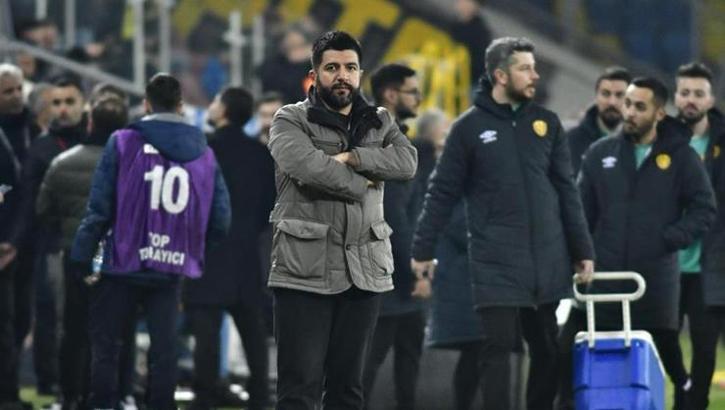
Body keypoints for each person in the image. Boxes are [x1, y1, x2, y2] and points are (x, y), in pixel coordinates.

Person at [410, 37, 595, 410]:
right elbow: (441, 192)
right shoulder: (468, 129)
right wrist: (423, 250)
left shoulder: (547, 123)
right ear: (500, 75)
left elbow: (567, 191)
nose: (534, 76)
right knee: (496, 349)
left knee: (546, 348)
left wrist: (582, 250)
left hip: (546, 260)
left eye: (534, 68)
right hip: (495, 261)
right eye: (525, 68)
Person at [267, 30, 417, 409]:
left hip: (364, 272)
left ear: (360, 73)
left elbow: (407, 162)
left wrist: (354, 158)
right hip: (305, 272)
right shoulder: (290, 119)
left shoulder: (380, 120)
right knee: (299, 389)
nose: (342, 76)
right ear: (314, 74)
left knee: (348, 390)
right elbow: (307, 167)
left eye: (350, 68)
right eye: (332, 68)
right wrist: (362, 183)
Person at [70, 73, 231, 410]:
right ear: (181, 106)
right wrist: (193, 248)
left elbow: (99, 208)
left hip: (123, 259)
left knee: (107, 345)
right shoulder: (204, 151)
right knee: (164, 351)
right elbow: (220, 219)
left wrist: (82, 255)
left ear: (146, 104)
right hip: (171, 265)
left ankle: (104, 405)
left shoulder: (123, 141)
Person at [564, 76, 716, 409]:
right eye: (628, 104)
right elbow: (579, 213)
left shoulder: (681, 157)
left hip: (654, 284)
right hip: (602, 283)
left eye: (639, 107)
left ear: (659, 113)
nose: (629, 112)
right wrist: (581, 254)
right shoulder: (599, 153)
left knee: (668, 361)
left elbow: (704, 209)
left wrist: (669, 238)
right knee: (571, 359)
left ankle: (684, 395)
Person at [183, 86, 276, 410]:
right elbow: (269, 206)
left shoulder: (203, 150)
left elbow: (190, 202)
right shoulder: (262, 155)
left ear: (222, 110)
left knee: (206, 333)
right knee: (253, 332)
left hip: (208, 251)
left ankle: (205, 398)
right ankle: (260, 397)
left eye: (214, 101)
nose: (210, 105)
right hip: (246, 253)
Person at [36, 96, 130, 410]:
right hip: (118, 258)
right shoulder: (132, 166)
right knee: (111, 331)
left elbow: (43, 209)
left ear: (90, 123)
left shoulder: (63, 162)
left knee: (73, 329)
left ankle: (68, 396)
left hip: (75, 255)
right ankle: (107, 396)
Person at [362, 63, 429, 410]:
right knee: (371, 365)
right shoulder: (388, 143)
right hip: (388, 277)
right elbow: (393, 215)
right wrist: (413, 270)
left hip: (391, 272)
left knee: (396, 363)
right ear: (390, 94)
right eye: (412, 92)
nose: (419, 98)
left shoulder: (373, 134)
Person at [673, 62, 725, 410]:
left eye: (698, 93)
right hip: (667, 267)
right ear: (676, 97)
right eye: (685, 92)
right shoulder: (659, 140)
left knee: (705, 350)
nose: (691, 99)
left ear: (711, 99)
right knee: (666, 347)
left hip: (711, 266)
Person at [0, 63, 35, 410]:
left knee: (23, 317)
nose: (15, 96)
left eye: (18, 89)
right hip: (2, 243)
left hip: (28, 240)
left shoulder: (33, 127)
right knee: (5, 322)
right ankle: (7, 394)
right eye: (7, 91)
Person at [567, 66, 632, 175]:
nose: (612, 102)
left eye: (620, 95)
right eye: (606, 94)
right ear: (596, 97)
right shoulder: (570, 139)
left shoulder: (638, 148)